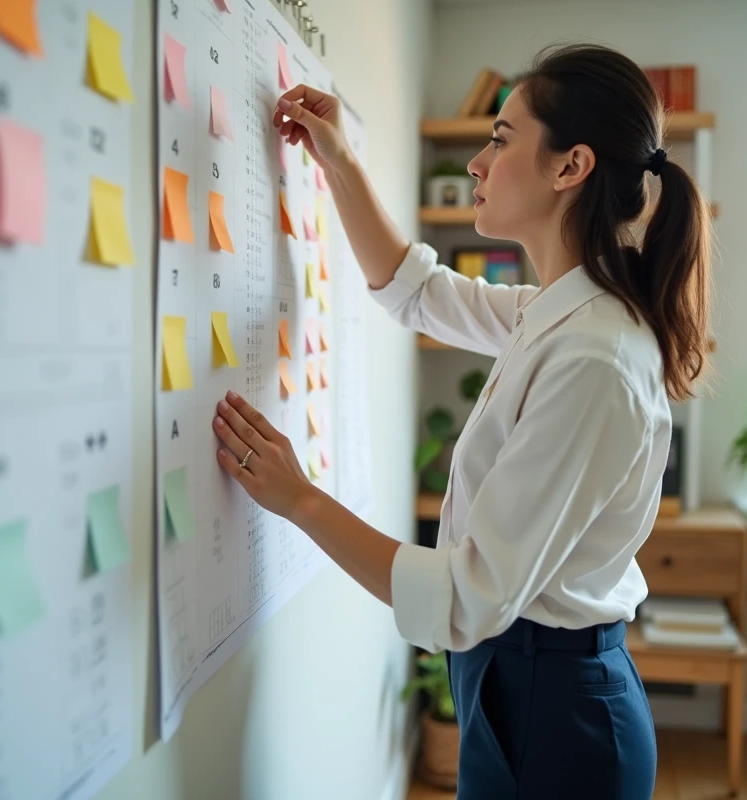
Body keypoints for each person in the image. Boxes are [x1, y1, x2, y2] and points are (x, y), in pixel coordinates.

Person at [210, 42, 711, 799]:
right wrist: (339, 161)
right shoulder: (556, 314)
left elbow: (469, 594)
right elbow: (414, 293)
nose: (478, 163)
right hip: (521, 683)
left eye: (501, 141)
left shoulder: (592, 357)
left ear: (570, 167)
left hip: (556, 714)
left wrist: (300, 499)